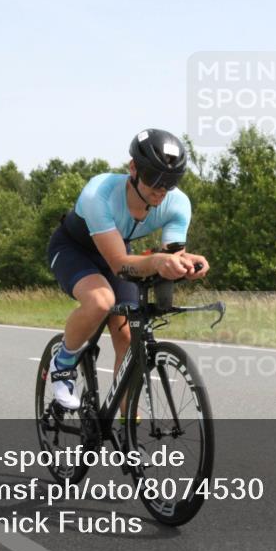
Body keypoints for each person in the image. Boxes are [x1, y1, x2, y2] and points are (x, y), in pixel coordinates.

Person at [46, 129, 209, 410]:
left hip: (118, 252)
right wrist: (158, 260)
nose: (160, 190)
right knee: (101, 301)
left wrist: (184, 264)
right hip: (74, 249)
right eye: (153, 178)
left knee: (129, 333)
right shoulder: (99, 193)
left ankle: (126, 432)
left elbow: (169, 257)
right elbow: (119, 264)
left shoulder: (178, 204)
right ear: (133, 168)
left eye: (170, 182)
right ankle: (62, 365)